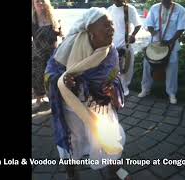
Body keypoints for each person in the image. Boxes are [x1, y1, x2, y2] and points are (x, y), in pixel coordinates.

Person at [44, 7, 130, 180]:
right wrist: (63, 81)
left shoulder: (110, 51)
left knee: (109, 136)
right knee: (72, 141)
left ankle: (114, 167)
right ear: (90, 31)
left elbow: (115, 76)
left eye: (112, 25)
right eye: (105, 26)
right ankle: (71, 172)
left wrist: (112, 89)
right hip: (72, 107)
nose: (111, 29)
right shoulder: (67, 48)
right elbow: (50, 74)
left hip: (101, 106)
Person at [138, 0, 185, 104]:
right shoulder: (154, 8)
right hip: (155, 43)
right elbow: (149, 25)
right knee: (147, 65)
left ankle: (171, 93)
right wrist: (154, 33)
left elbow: (181, 29)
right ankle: (145, 89)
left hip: (171, 44)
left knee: (172, 68)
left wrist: (170, 42)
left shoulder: (180, 9)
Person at [32, 0, 62, 110]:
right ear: (33, 4)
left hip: (52, 53)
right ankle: (39, 99)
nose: (40, 3)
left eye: (42, 1)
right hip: (37, 54)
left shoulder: (53, 17)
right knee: (37, 76)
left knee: (52, 76)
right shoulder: (33, 19)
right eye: (37, 2)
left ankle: (52, 98)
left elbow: (61, 34)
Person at [107, 0, 142, 96]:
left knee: (125, 68)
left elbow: (138, 25)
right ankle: (114, 87)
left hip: (125, 43)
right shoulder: (109, 9)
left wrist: (133, 35)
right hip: (112, 43)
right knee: (113, 67)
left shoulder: (129, 9)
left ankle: (124, 87)